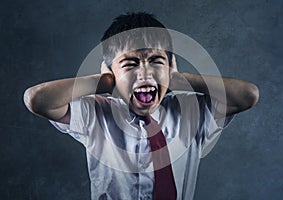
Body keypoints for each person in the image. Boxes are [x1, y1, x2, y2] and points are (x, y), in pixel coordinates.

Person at [23, 12, 259, 200]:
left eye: (156, 61)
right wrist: (102, 82)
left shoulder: (191, 113)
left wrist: (177, 79)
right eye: (130, 63)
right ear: (111, 71)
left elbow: (247, 95)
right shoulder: (96, 114)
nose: (144, 72)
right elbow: (37, 99)